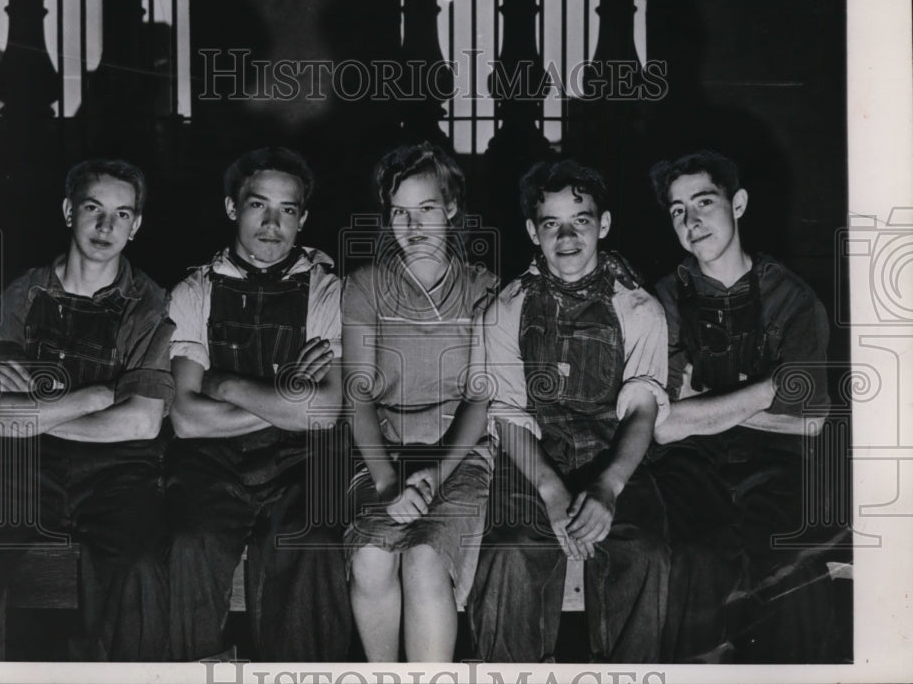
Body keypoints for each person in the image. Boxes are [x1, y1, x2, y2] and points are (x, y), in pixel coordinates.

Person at [0, 159, 174, 661]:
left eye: (122, 215)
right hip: (26, 469)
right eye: (94, 209)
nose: (105, 227)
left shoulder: (150, 304)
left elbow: (141, 422)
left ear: (136, 226)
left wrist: (37, 411)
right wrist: (92, 398)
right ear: (68, 211)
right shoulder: (22, 294)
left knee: (141, 565)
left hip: (120, 473)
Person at [467, 158, 670, 663]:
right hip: (532, 458)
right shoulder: (505, 308)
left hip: (613, 453)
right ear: (532, 233)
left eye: (580, 220)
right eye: (551, 223)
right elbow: (508, 415)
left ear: (603, 225)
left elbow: (642, 410)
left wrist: (607, 486)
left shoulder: (639, 307)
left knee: (643, 553)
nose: (567, 236)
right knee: (510, 553)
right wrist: (554, 494)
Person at [165, 146, 350, 661]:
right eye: (257, 206)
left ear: (303, 218)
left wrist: (223, 386)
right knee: (189, 542)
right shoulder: (194, 290)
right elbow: (184, 419)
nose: (272, 224)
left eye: (287, 210)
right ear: (231, 208)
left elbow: (322, 414)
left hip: (301, 463)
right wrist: (287, 395)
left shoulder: (327, 291)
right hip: (212, 463)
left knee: (310, 542)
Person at [648, 149, 833, 662]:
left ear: (739, 204)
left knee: (791, 561)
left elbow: (812, 422)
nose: (691, 221)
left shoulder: (794, 300)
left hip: (776, 463)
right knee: (695, 559)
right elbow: (662, 427)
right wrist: (772, 386)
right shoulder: (662, 299)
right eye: (678, 211)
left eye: (704, 202)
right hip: (691, 465)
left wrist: (700, 406)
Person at [342, 142, 498, 662]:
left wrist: (436, 470)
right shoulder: (365, 286)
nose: (413, 226)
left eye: (426, 208)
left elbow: (481, 398)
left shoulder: (483, 289)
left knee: (425, 557)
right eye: (399, 212)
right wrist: (388, 480)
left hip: (460, 456)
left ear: (451, 207)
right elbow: (358, 398)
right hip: (386, 455)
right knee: (369, 556)